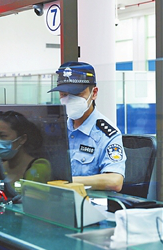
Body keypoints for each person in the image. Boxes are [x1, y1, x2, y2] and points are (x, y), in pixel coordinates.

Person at [48, 61, 126, 192]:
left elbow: (115, 181)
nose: (69, 100)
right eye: (64, 95)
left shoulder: (106, 134)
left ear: (94, 93)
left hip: (89, 205)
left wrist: (68, 181)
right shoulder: (56, 129)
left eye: (77, 94)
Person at [0, 110, 51, 192]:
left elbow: (32, 201)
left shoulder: (38, 167)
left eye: (3, 136)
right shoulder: (0, 167)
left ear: (22, 139)